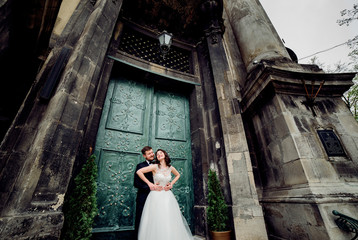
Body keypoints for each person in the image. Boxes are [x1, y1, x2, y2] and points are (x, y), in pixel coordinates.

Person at [136, 149, 193, 240]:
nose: (159, 155)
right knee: (157, 218)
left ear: (165, 155)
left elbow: (178, 175)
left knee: (168, 218)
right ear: (157, 158)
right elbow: (139, 172)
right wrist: (150, 184)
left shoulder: (170, 168)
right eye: (157, 154)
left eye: (161, 153)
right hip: (156, 195)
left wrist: (171, 184)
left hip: (167, 196)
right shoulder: (155, 166)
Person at [133, 146, 161, 238]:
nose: (152, 154)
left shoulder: (158, 164)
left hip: (157, 197)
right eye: (149, 153)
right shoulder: (140, 166)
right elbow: (136, 183)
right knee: (141, 219)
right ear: (144, 156)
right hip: (143, 197)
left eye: (152, 152)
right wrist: (150, 187)